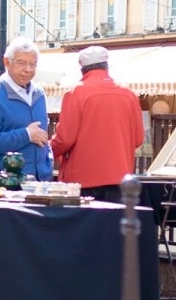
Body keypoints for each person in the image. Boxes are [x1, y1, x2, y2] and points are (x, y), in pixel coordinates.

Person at [49, 46, 144, 202]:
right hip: (120, 178)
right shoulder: (129, 94)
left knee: (84, 226)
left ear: (83, 70)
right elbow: (138, 138)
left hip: (83, 179)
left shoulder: (76, 93)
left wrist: (48, 151)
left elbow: (65, 138)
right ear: (107, 67)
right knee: (115, 226)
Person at [0, 37, 53, 181]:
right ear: (7, 62)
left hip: (40, 182)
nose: (28, 69)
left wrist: (47, 162)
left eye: (33, 64)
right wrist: (26, 135)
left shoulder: (39, 94)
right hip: (7, 185)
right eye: (21, 63)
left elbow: (42, 136)